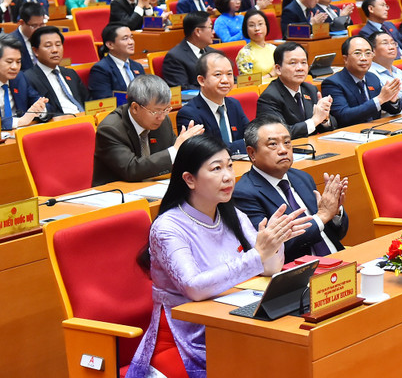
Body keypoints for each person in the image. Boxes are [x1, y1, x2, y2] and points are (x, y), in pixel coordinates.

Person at [126, 134, 309, 378]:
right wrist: (258, 254)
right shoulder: (167, 227)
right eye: (216, 168)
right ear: (189, 179)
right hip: (185, 335)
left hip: (230, 319)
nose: (228, 176)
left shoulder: (230, 213)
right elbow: (194, 287)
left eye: (230, 166)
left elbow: (269, 268)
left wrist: (276, 242)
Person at [233, 116, 349, 263]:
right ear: (252, 153)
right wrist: (323, 216)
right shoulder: (244, 194)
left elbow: (337, 234)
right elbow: (273, 249)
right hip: (299, 269)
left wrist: (335, 213)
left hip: (338, 258)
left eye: (287, 142)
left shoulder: (302, 178)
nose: (283, 150)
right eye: (273, 144)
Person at [93, 74, 204, 185]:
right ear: (135, 108)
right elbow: (131, 170)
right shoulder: (110, 129)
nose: (162, 117)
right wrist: (175, 150)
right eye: (155, 111)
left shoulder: (163, 121)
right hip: (117, 190)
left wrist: (188, 148)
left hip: (153, 186)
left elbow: (173, 158)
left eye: (166, 109)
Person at [256, 42, 336, 138]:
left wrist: (324, 118)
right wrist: (315, 120)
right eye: (293, 63)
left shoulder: (310, 90)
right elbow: (278, 134)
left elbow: (332, 125)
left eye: (303, 63)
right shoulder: (269, 97)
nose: (300, 68)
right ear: (278, 69)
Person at [321, 35, 402, 127]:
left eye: (368, 53)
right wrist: (380, 99)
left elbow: (392, 109)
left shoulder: (372, 78)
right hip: (350, 132)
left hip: (376, 130)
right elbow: (343, 116)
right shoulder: (333, 83)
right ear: (345, 59)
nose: (364, 58)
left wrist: (392, 100)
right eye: (358, 53)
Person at [176, 52, 249, 154]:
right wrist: (242, 144)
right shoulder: (188, 114)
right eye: (218, 75)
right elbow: (204, 152)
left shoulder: (234, 104)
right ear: (201, 80)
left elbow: (251, 137)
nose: (225, 80)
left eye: (229, 74)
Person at [25, 26, 89, 115]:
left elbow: (88, 101)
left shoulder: (70, 73)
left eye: (58, 45)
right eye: (48, 46)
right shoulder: (28, 78)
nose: (55, 50)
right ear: (35, 51)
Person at [161, 11, 218, 89]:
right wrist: (214, 89)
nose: (213, 32)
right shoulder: (174, 57)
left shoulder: (214, 53)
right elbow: (183, 88)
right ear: (198, 31)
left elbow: (228, 76)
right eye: (210, 27)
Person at [88, 23, 144, 99]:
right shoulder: (101, 70)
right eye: (125, 39)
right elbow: (105, 100)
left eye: (131, 37)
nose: (131, 42)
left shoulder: (137, 66)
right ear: (110, 45)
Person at [237, 9, 278, 80]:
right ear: (246, 29)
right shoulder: (245, 53)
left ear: (266, 25)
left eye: (260, 24)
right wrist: (270, 75)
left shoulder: (274, 49)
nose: (257, 28)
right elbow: (246, 82)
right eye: (251, 25)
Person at [10, 1, 46, 71]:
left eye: (41, 25)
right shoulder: (10, 42)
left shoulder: (45, 36)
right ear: (21, 23)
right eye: (34, 26)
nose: (38, 30)